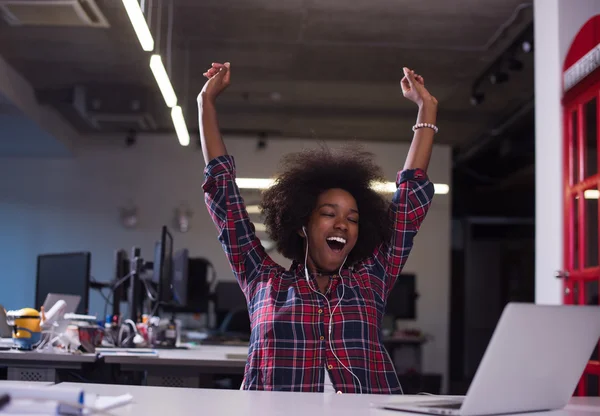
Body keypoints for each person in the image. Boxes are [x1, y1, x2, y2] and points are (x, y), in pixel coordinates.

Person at [198, 61, 437, 394]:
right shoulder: (264, 282)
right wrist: (205, 105)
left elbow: (409, 202)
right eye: (329, 213)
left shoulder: (370, 281)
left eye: (353, 218)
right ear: (302, 225)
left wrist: (427, 110)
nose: (342, 223)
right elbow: (225, 200)